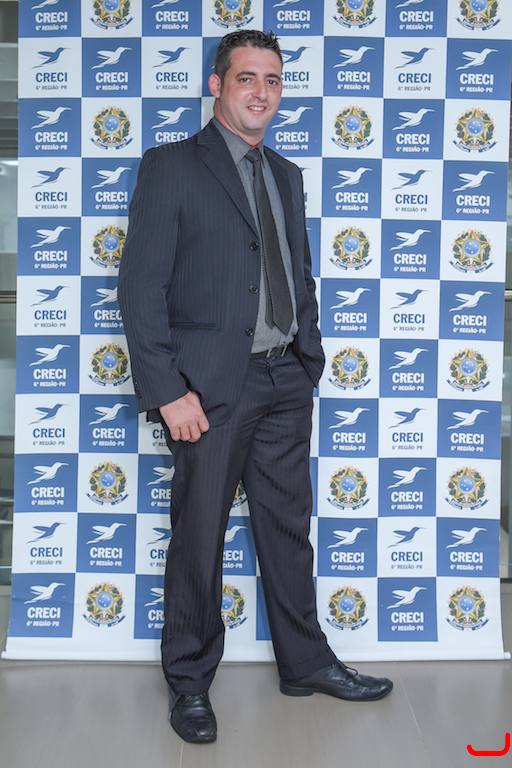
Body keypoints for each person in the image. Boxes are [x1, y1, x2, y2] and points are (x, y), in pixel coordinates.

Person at [118, 29, 392, 744]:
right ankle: (188, 681)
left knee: (288, 530)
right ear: (217, 85)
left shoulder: (287, 174)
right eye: (247, 78)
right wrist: (167, 390)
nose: (261, 92)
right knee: (199, 536)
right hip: (209, 388)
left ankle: (306, 663)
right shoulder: (172, 166)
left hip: (284, 379)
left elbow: (297, 273)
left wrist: (309, 360)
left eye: (272, 80)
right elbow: (140, 287)